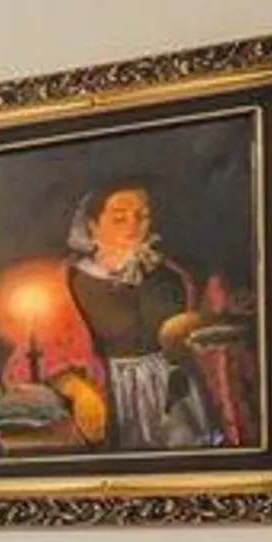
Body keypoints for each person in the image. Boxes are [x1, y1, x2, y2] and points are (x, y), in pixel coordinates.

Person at [60, 183, 218, 450]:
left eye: (142, 216)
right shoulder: (71, 281)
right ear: (93, 225)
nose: (132, 225)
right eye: (119, 218)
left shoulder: (171, 275)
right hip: (113, 391)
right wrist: (78, 390)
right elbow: (53, 352)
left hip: (174, 392)